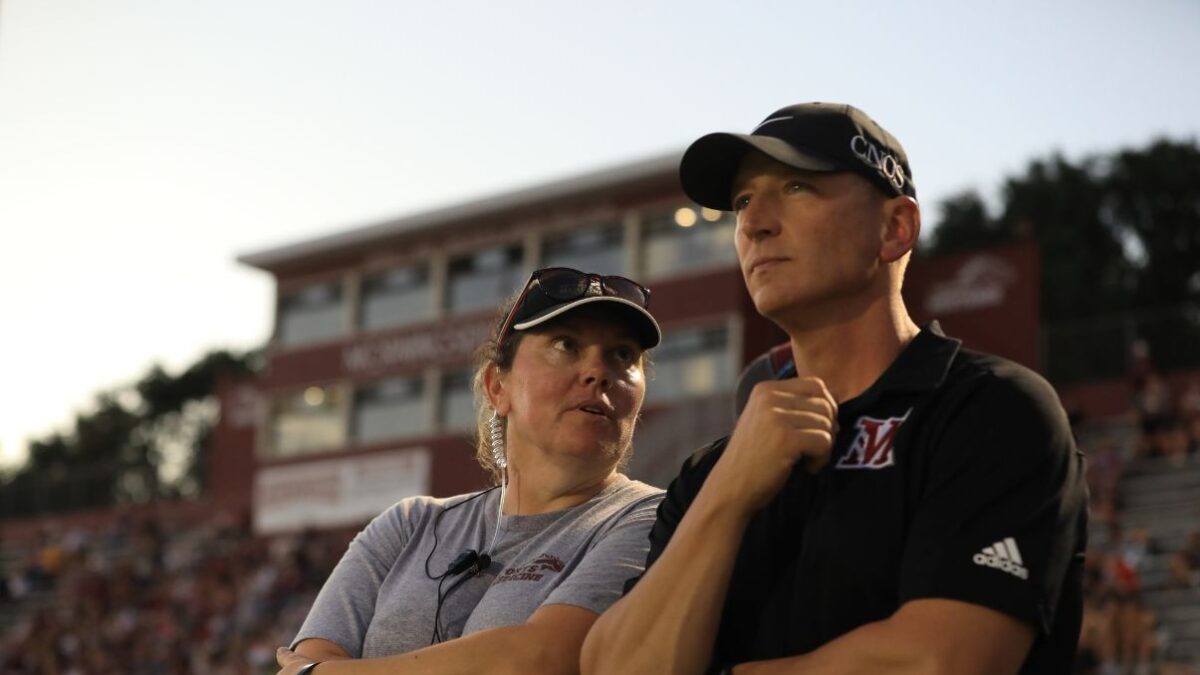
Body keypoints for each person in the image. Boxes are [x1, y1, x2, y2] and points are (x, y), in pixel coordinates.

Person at [582, 103, 1089, 674]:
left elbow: (940, 660)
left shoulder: (992, 409)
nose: (753, 224)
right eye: (745, 201)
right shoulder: (711, 473)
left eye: (797, 187)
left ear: (895, 228)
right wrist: (729, 493)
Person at [275, 267, 665, 675]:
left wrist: (319, 673)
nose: (598, 370)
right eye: (566, 345)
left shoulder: (652, 518)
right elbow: (317, 652)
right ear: (497, 386)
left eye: (623, 354)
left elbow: (541, 659)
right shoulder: (408, 526)